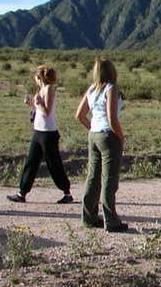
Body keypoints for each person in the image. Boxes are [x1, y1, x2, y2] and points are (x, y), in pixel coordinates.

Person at [75, 57, 128, 232]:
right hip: (108, 136)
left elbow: (80, 115)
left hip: (94, 135)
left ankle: (89, 217)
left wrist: (93, 128)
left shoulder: (92, 89)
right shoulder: (111, 88)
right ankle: (111, 221)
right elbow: (112, 118)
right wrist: (121, 136)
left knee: (93, 178)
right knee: (109, 180)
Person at [7, 65, 73, 204]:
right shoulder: (42, 90)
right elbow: (40, 110)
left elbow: (47, 111)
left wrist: (37, 103)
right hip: (39, 130)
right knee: (31, 161)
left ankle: (66, 191)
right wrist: (32, 105)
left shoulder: (48, 89)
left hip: (48, 132)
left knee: (53, 163)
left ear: (39, 77)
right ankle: (22, 192)